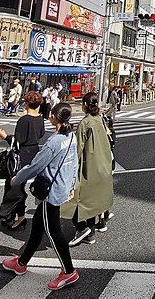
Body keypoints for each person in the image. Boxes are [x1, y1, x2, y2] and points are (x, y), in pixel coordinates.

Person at [2, 103, 80, 291]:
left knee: (53, 232)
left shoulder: (54, 142)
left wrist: (16, 179)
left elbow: (36, 166)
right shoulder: (71, 136)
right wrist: (71, 185)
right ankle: (21, 262)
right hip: (62, 186)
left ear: (54, 117)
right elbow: (74, 162)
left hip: (51, 191)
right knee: (37, 227)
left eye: (51, 114)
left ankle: (69, 271)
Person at [64, 93, 115, 247]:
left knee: (78, 199)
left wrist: (70, 166)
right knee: (93, 200)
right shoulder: (100, 119)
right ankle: (92, 231)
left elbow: (78, 147)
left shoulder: (85, 123)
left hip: (89, 165)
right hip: (103, 163)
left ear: (85, 104)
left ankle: (83, 228)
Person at [0, 91, 46, 229]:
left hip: (21, 155)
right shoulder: (40, 119)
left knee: (13, 185)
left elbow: (18, 141)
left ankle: (9, 215)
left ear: (27, 103)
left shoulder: (24, 120)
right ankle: (19, 217)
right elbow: (41, 134)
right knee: (19, 184)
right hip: (34, 153)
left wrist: (5, 136)